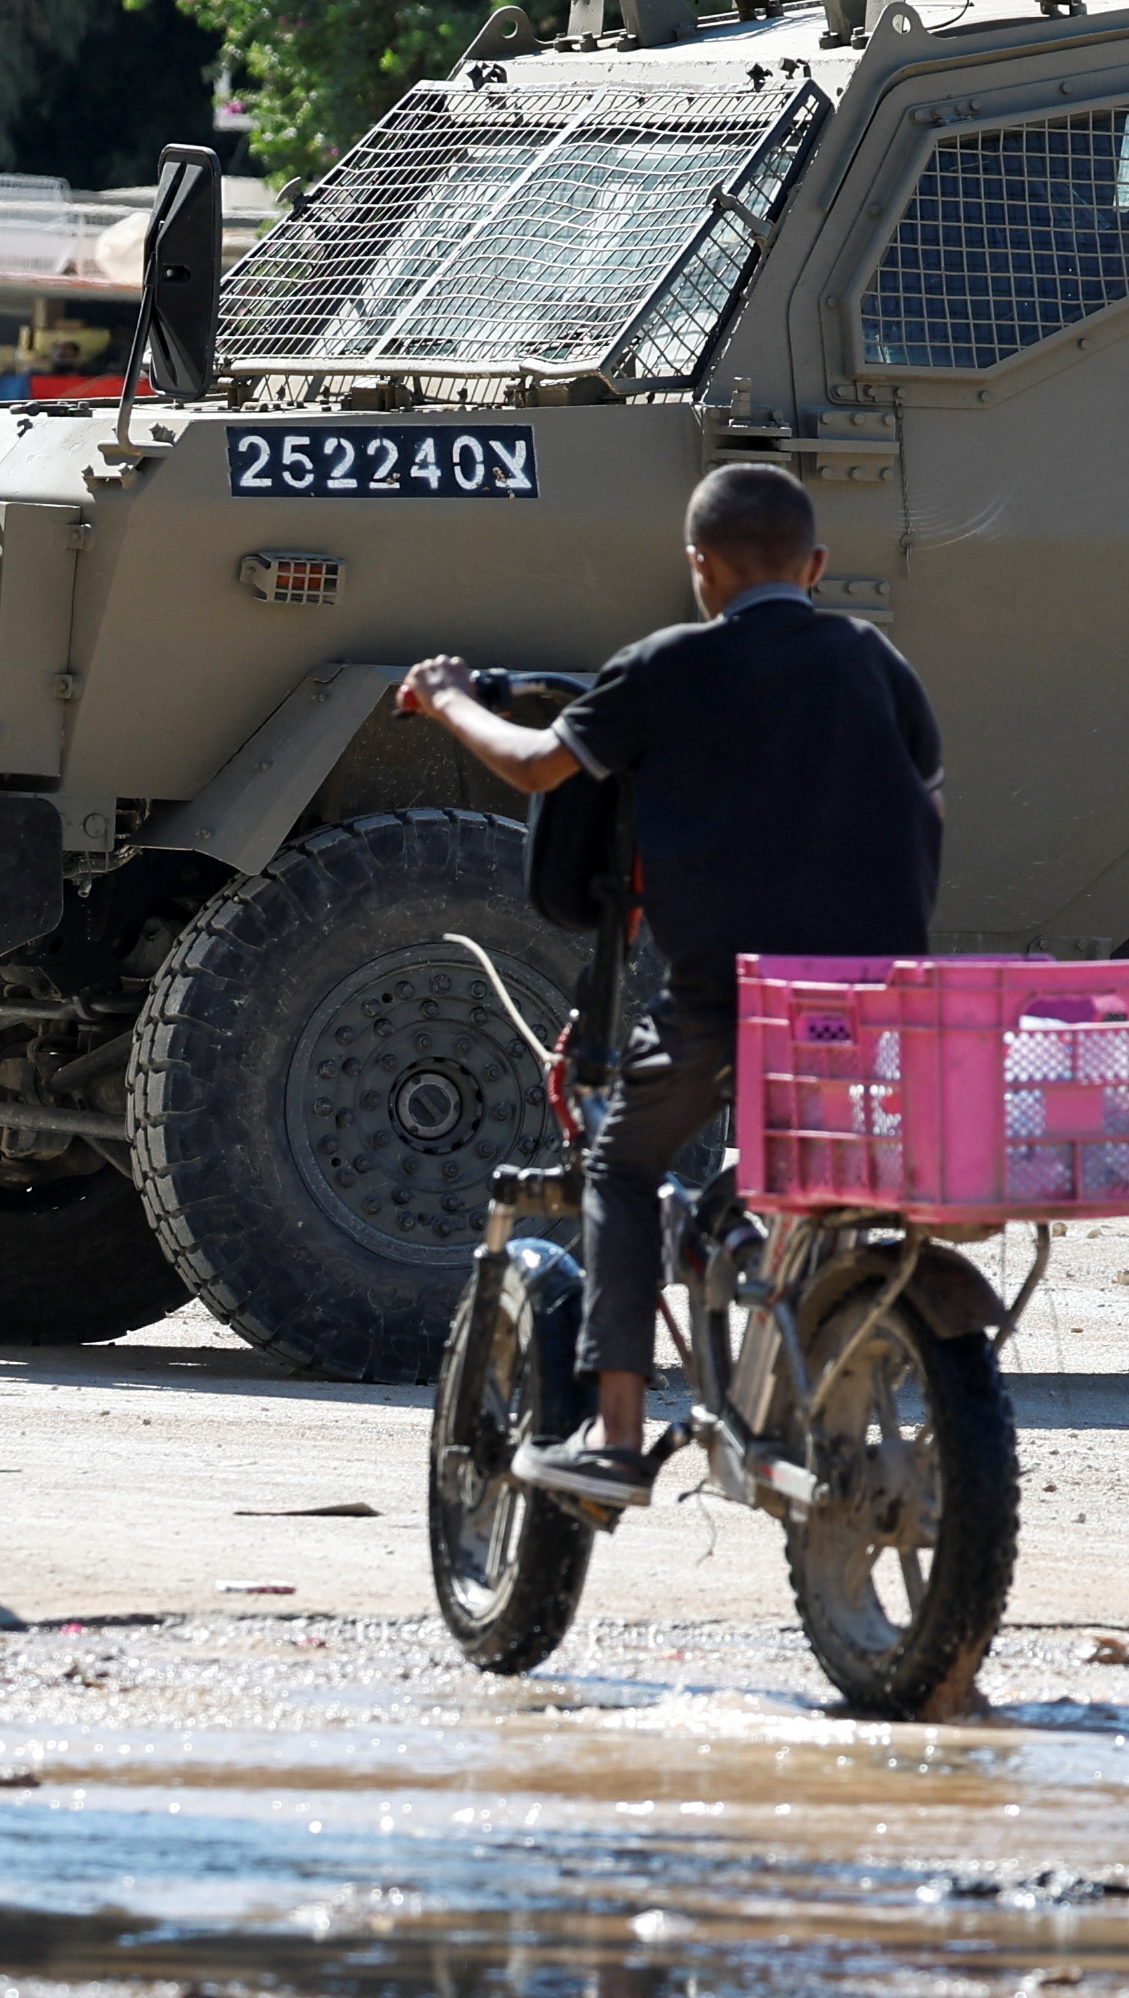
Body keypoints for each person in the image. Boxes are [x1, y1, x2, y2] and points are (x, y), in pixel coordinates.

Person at [397, 461, 944, 1507]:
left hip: (721, 996)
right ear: (817, 565)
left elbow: (534, 763)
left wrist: (448, 695)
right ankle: (755, 1270)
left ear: (697, 567)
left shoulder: (664, 665)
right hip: (872, 995)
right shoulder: (872, 657)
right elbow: (928, 787)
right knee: (794, 1150)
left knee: (623, 1160)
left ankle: (611, 1437)